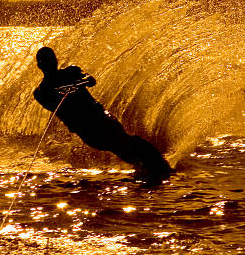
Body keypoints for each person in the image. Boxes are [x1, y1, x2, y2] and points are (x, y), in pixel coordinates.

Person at [33, 47, 172, 184]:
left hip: (102, 117)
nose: (50, 63)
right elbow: (51, 103)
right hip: (86, 129)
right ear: (40, 65)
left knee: (127, 142)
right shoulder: (41, 92)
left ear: (56, 60)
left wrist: (81, 81)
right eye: (46, 61)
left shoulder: (72, 71)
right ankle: (151, 169)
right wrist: (63, 93)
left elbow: (91, 79)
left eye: (52, 59)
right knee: (120, 146)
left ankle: (154, 168)